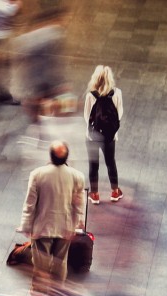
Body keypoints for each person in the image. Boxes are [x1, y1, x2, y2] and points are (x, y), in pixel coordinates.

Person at [17, 141, 86, 282]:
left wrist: (25, 226)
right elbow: (79, 204)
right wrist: (79, 222)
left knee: (40, 265)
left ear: (50, 156)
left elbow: (30, 204)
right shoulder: (77, 176)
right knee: (60, 263)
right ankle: (59, 291)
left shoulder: (37, 174)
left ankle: (40, 291)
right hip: (65, 227)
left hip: (42, 227)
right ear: (66, 157)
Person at [83, 65, 124, 205]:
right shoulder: (117, 93)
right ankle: (115, 191)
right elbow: (119, 114)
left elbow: (86, 115)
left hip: (92, 136)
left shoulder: (90, 95)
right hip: (109, 136)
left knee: (93, 164)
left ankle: (94, 194)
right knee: (110, 162)